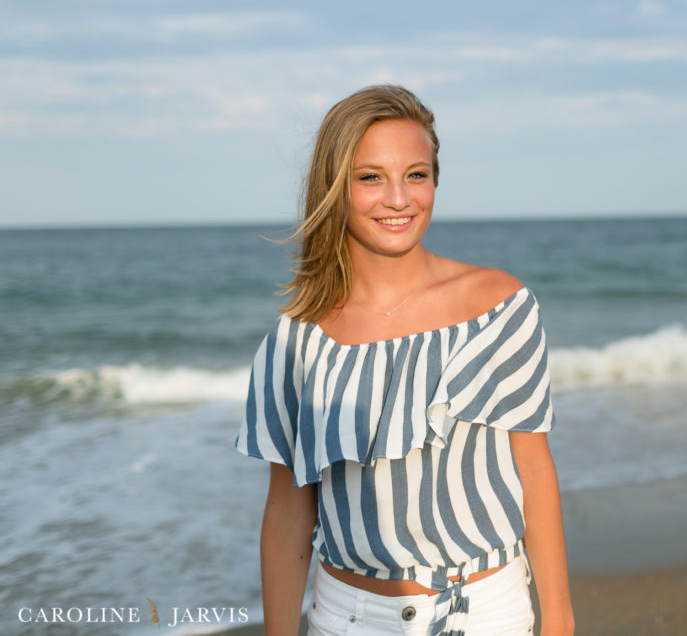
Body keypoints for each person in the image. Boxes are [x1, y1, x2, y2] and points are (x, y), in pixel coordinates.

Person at [236, 85, 573, 636]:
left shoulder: (500, 307)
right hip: (345, 618)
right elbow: (287, 513)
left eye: (415, 174)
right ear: (335, 187)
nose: (398, 198)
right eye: (370, 177)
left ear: (435, 181)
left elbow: (534, 469)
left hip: (489, 614)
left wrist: (559, 621)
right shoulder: (296, 339)